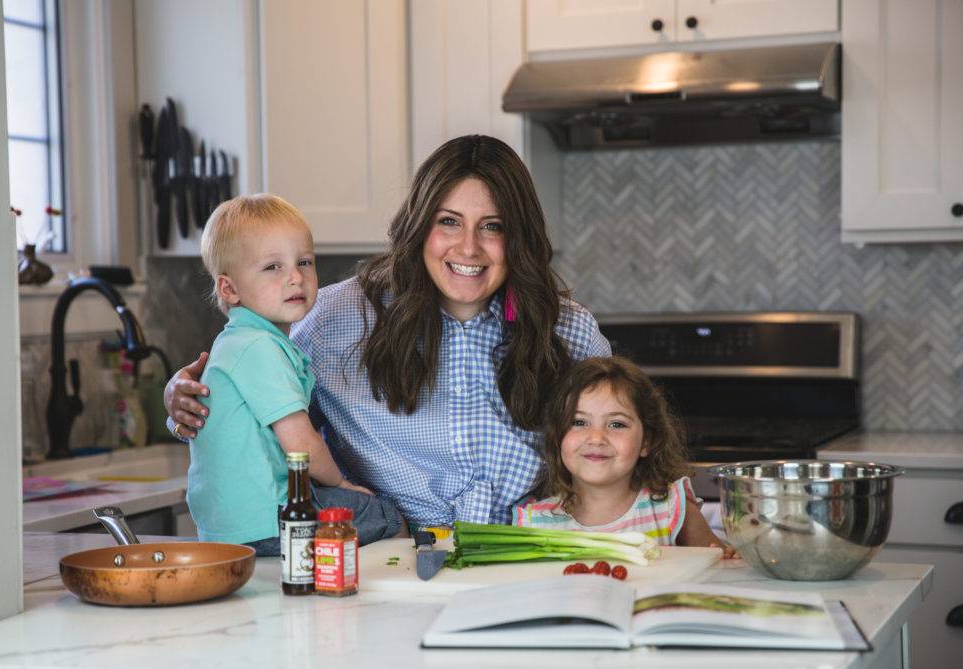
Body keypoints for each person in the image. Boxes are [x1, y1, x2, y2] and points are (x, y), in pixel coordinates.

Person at [165, 135, 612, 527]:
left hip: (528, 553)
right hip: (385, 559)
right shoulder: (336, 316)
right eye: (449, 221)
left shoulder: (568, 329)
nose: (469, 247)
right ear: (420, 226)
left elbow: (623, 442)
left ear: (519, 238)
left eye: (492, 227)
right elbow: (257, 409)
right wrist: (185, 401)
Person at [186, 193, 401, 554]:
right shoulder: (259, 348)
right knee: (386, 517)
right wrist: (343, 485)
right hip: (271, 516)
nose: (295, 278)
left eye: (304, 262)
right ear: (230, 288)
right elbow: (301, 445)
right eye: (273, 267)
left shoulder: (240, 342)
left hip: (231, 527)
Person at [515, 355, 737, 557]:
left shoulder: (671, 508)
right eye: (579, 422)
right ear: (557, 436)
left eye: (616, 424)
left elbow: (718, 566)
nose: (596, 438)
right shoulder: (534, 523)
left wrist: (731, 557)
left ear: (647, 442)